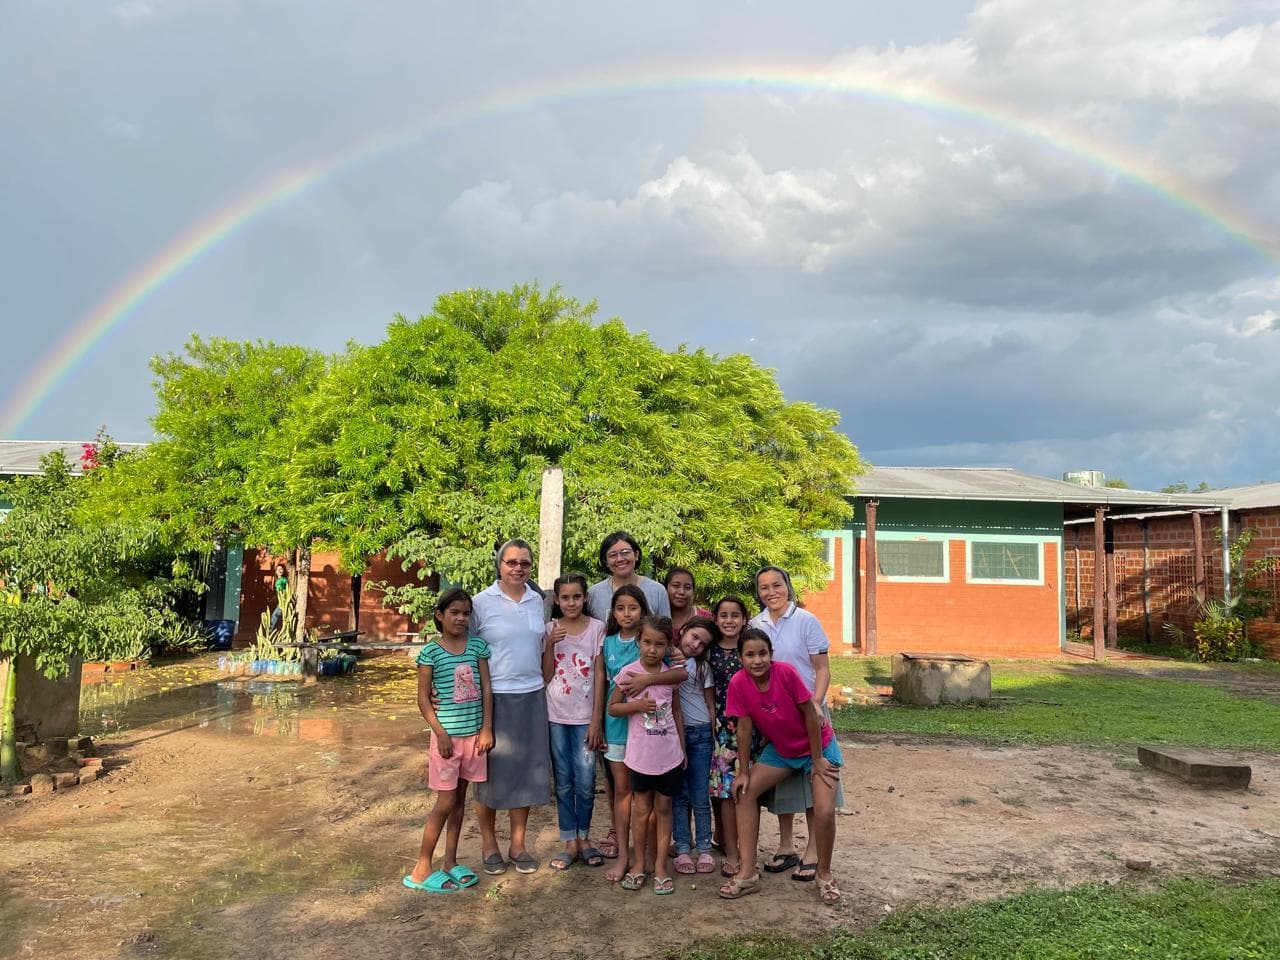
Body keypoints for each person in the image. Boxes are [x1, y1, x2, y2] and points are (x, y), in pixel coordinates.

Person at [721, 627, 842, 905]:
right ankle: (748, 874)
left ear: (771, 654)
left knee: (824, 810)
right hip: (783, 750)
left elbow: (811, 715)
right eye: (750, 655)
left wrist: (817, 759)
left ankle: (824, 875)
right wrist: (743, 771)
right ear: (740, 658)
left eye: (763, 653)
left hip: (818, 747)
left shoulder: (785, 673)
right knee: (745, 792)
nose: (757, 660)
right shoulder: (738, 683)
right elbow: (744, 728)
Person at [749, 565, 839, 882]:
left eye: (777, 585)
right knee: (781, 789)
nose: (771, 591)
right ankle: (785, 845)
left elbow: (822, 667)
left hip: (809, 714)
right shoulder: (754, 624)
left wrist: (815, 702)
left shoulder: (805, 620)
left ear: (788, 586)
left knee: (814, 780)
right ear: (757, 592)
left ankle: (813, 850)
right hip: (774, 717)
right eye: (764, 587)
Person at [404, 588, 493, 892]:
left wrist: (487, 729)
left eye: (466, 613)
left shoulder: (478, 647)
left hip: (474, 737)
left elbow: (486, 691)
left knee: (459, 802)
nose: (461, 618)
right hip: (446, 740)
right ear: (440, 616)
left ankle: (450, 861)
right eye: (454, 612)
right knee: (444, 802)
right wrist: (440, 733)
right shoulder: (431, 651)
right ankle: (421, 867)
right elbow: (422, 699)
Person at [470, 538, 550, 876]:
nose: (518, 568)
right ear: (499, 564)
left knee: (526, 773)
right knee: (487, 776)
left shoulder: (540, 602)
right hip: (493, 698)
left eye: (525, 563)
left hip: (532, 695)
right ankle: (489, 843)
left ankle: (518, 844)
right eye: (512, 562)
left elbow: (546, 646)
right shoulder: (480, 603)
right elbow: (466, 651)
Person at [594, 585, 685, 882]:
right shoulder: (617, 657)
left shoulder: (669, 668)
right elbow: (612, 704)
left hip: (666, 752)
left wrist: (681, 749)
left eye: (659, 644)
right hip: (633, 747)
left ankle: (656, 864)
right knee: (634, 802)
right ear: (640, 642)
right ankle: (631, 860)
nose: (652, 649)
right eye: (647, 643)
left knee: (663, 806)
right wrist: (635, 705)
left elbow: (676, 701)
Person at [541, 572, 607, 870]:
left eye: (576, 597)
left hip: (585, 718)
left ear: (585, 598)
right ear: (556, 599)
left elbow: (599, 676)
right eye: (565, 597)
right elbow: (545, 676)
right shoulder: (549, 629)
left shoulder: (597, 629)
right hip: (556, 715)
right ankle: (569, 840)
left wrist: (596, 720)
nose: (571, 602)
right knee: (564, 781)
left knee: (585, 780)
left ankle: (585, 837)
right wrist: (551, 645)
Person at [708, 595, 751, 878]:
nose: (729, 620)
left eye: (735, 615)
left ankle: (746, 850)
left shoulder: (751, 649)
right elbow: (706, 687)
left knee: (745, 792)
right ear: (715, 619)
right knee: (724, 792)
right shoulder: (709, 651)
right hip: (723, 730)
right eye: (723, 615)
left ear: (744, 619)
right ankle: (732, 853)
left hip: (751, 728)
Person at [671, 615, 717, 875]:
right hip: (673, 735)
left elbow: (710, 704)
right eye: (694, 637)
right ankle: (682, 848)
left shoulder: (702, 667)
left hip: (700, 735)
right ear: (684, 631)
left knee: (700, 796)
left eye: (703, 644)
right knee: (679, 796)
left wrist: (713, 736)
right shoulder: (667, 658)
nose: (697, 645)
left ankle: (704, 848)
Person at [586, 531, 671, 622]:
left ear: (636, 555)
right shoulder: (593, 594)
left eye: (625, 552)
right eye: (613, 555)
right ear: (606, 561)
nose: (620, 559)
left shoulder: (657, 590)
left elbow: (665, 630)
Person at [665, 567, 711, 642]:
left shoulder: (705, 617)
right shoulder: (656, 615)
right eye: (676, 586)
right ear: (666, 587)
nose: (681, 592)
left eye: (687, 587)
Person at [269, 562, 289, 631]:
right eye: (278, 569)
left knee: (275, 615)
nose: (280, 571)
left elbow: (286, 590)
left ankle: (270, 631)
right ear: (276, 571)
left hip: (282, 601)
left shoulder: (284, 580)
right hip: (278, 601)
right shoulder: (276, 580)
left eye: (281, 569)